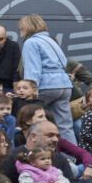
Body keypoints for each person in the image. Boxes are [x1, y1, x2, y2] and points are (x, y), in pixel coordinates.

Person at [17, 15, 75, 143]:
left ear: (27, 27)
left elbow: (33, 68)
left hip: (46, 85)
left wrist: (31, 88)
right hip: (64, 85)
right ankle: (72, 158)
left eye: (21, 28)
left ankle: (33, 151)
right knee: (65, 126)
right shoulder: (50, 41)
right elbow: (64, 62)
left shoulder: (30, 42)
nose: (20, 31)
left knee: (32, 119)